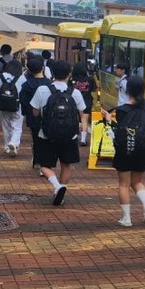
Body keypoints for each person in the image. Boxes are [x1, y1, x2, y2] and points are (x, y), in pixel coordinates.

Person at [30, 59, 86, 206]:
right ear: (69, 75)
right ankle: (61, 190)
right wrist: (83, 131)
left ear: (52, 73)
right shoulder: (75, 92)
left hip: (47, 135)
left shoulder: (42, 90)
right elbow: (82, 113)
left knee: (44, 165)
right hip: (70, 135)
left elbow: (35, 113)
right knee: (66, 165)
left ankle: (56, 186)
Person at [109, 75, 145, 226]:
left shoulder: (122, 110)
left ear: (128, 89)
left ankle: (126, 219)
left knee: (124, 184)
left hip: (125, 149)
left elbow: (120, 130)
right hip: (143, 148)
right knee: (137, 181)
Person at [19, 57, 51, 173]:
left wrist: (25, 114)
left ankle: (37, 160)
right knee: (47, 139)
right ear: (43, 68)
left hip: (33, 116)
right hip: (48, 116)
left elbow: (23, 101)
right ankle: (45, 163)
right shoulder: (49, 84)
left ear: (29, 70)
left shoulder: (26, 85)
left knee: (36, 138)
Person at [0, 59, 26, 157]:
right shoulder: (22, 77)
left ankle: (8, 147)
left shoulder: (1, 76)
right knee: (17, 127)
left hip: (3, 106)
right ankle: (14, 143)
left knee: (6, 126)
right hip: (17, 105)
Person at [69, 62, 98, 146]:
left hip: (73, 101)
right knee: (84, 120)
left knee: (74, 119)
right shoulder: (90, 79)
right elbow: (94, 90)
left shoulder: (71, 79)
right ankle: (83, 139)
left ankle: (73, 136)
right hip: (86, 101)